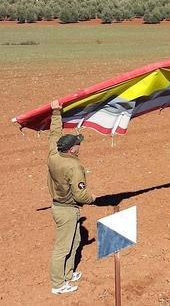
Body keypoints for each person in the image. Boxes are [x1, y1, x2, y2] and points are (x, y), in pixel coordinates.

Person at [48, 99, 95, 294]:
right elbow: (80, 193)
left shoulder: (53, 154)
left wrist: (56, 113)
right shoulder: (73, 167)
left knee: (74, 242)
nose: (79, 146)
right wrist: (92, 198)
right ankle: (58, 285)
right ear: (72, 150)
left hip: (61, 207)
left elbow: (54, 134)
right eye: (77, 145)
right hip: (67, 210)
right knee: (62, 248)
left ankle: (68, 273)